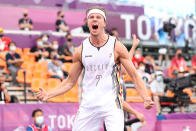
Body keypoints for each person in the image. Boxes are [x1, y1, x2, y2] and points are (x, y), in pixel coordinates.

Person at [36, 6, 153, 131]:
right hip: (89, 104)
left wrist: (145, 97)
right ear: (88, 22)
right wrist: (49, 94)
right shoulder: (80, 50)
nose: (94, 20)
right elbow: (70, 81)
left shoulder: (116, 46)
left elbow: (134, 76)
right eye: (91, 17)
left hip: (112, 104)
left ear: (104, 23)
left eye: (98, 17)